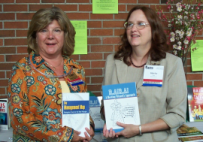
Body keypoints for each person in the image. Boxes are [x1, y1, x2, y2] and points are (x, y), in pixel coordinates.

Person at [100, 5, 187, 142]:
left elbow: (178, 114)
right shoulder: (112, 61)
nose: (134, 29)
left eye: (141, 24)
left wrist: (139, 129)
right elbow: (106, 105)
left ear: (153, 29)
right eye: (130, 24)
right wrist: (110, 122)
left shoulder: (171, 64)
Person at [8, 7, 94, 142]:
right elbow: (18, 118)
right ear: (35, 36)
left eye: (57, 30)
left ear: (65, 35)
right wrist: (66, 136)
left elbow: (81, 107)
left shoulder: (76, 69)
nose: (50, 36)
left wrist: (88, 126)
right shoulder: (22, 70)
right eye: (43, 30)